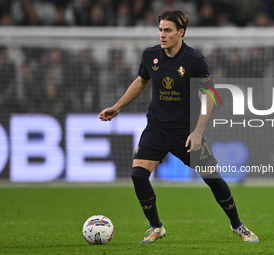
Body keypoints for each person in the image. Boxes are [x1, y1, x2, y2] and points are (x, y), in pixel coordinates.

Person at [98, 10, 259, 244]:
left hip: (186, 132)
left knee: (212, 178)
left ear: (180, 33)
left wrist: (198, 132)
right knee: (138, 175)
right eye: (160, 30)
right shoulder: (150, 55)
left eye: (168, 30)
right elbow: (142, 81)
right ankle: (155, 227)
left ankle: (238, 225)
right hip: (156, 128)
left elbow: (210, 97)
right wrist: (117, 106)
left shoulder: (195, 61)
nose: (162, 35)